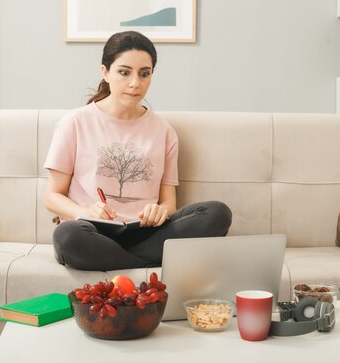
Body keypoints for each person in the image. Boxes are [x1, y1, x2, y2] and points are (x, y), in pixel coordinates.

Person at [44, 30, 232, 271]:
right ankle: (147, 264)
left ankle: (123, 265)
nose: (135, 83)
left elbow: (169, 204)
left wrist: (159, 211)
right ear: (105, 72)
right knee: (67, 236)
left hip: (145, 232)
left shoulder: (163, 131)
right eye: (124, 72)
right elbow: (52, 197)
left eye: (145, 74)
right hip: (93, 232)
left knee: (217, 213)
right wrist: (84, 211)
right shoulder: (75, 122)